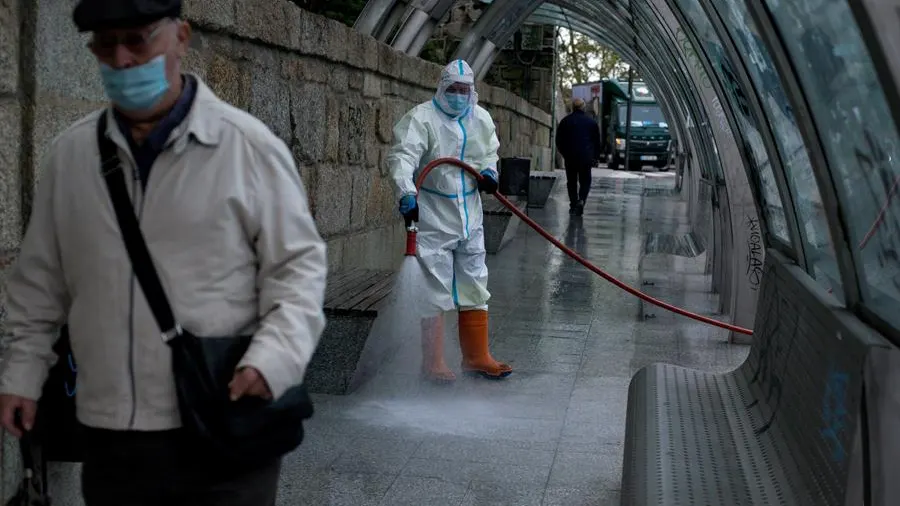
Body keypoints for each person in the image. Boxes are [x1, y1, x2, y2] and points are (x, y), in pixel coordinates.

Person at [0, 1, 327, 504]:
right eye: (106, 46)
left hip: (223, 417)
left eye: (138, 40)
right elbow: (41, 282)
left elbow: (298, 269)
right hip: (112, 432)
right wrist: (23, 374)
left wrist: (273, 359)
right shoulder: (71, 157)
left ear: (181, 37)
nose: (123, 59)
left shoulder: (246, 147)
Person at [387, 59, 512, 383]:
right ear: (441, 89)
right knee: (435, 286)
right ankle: (433, 363)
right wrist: (406, 191)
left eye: (464, 90)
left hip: (470, 215)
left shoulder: (480, 118)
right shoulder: (422, 117)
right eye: (453, 90)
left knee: (475, 281)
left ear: (472, 92)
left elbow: (489, 153)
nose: (458, 96)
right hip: (434, 215)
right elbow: (403, 156)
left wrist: (489, 172)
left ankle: (476, 357)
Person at [555, 97, 602, 216]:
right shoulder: (591, 122)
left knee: (571, 181)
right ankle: (581, 200)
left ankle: (573, 203)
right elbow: (596, 142)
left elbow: (559, 140)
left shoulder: (565, 121)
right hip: (586, 157)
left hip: (570, 157)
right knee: (585, 180)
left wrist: (564, 153)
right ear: (583, 107)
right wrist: (595, 157)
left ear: (572, 107)